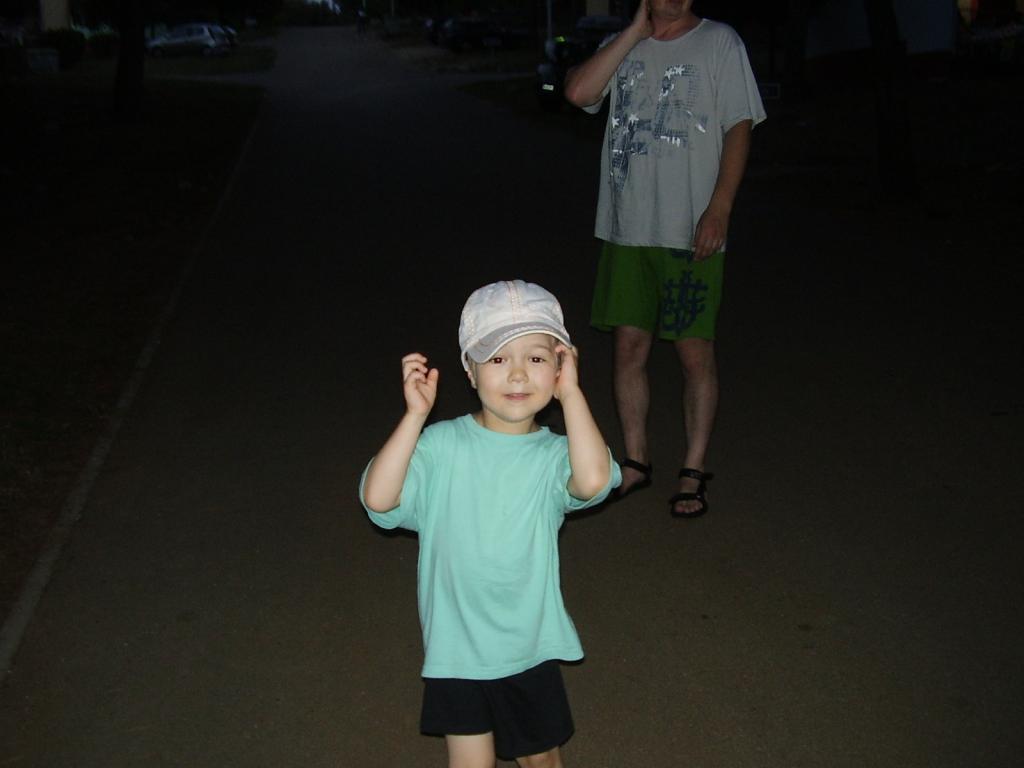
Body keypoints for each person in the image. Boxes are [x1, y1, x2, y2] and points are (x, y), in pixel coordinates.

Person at [359, 280, 621, 768]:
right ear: (470, 370)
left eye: (536, 358)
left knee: (541, 760)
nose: (518, 373)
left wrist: (572, 395)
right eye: (497, 358)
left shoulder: (554, 456)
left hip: (526, 648)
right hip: (456, 649)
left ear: (560, 366)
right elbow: (379, 498)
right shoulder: (440, 445)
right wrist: (414, 417)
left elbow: (593, 481)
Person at [564, 0, 766, 518]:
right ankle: (636, 461)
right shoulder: (625, 45)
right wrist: (634, 32)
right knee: (628, 348)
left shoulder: (719, 42)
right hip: (628, 226)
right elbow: (579, 93)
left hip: (690, 229)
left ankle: (693, 469)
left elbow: (739, 126)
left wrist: (719, 208)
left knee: (694, 352)